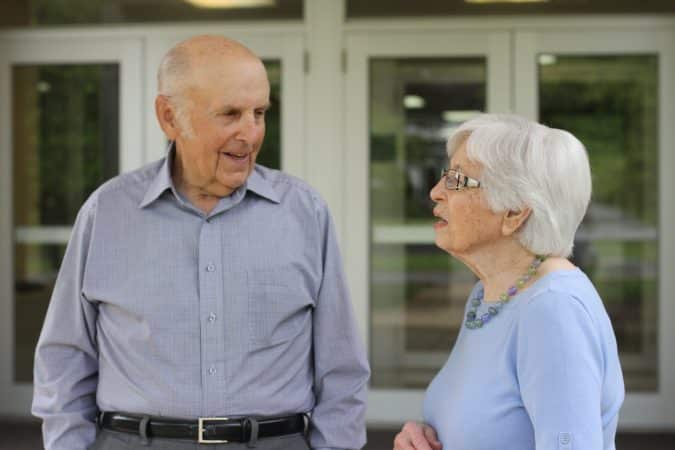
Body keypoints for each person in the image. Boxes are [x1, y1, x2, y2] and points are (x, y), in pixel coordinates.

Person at [32, 35, 370, 450]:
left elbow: (342, 371)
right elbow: (64, 360)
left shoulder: (305, 213)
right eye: (230, 114)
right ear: (169, 117)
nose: (250, 133)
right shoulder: (106, 213)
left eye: (259, 113)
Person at [393, 114, 624, 450]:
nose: (436, 192)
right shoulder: (490, 294)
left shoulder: (553, 310)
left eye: (457, 180)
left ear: (515, 212)